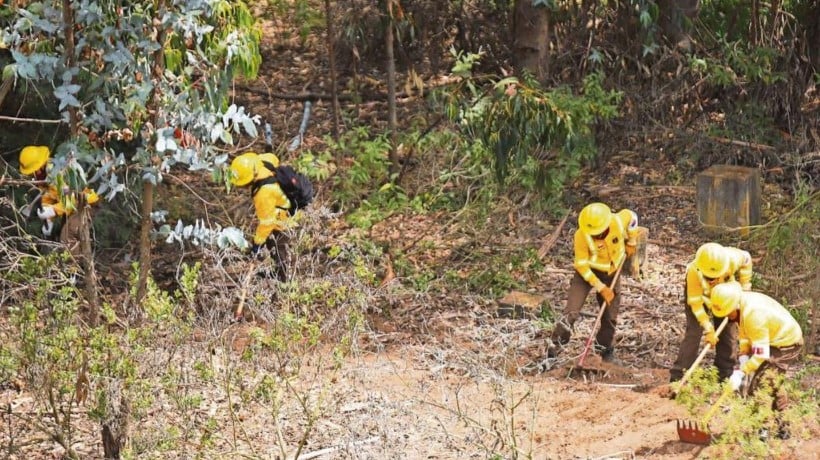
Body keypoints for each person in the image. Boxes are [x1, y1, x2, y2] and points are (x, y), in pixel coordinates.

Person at [549, 202, 639, 362]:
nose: (596, 235)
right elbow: (581, 265)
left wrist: (631, 240)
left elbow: (633, 217)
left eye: (599, 232)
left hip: (611, 272)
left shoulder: (617, 220)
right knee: (571, 313)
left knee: (610, 315)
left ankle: (605, 351)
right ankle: (553, 351)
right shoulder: (581, 235)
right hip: (586, 275)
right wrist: (600, 287)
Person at [710, 281, 803, 432]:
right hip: (772, 340)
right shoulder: (742, 305)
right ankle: (784, 426)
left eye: (727, 312)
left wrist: (741, 371)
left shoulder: (753, 314)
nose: (726, 317)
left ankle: (763, 430)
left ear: (735, 306)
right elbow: (746, 335)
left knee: (761, 386)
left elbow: (761, 354)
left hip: (786, 343)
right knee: (772, 381)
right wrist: (743, 356)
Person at [669, 242, 752, 382]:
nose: (711, 280)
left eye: (714, 277)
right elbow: (695, 304)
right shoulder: (694, 272)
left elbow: (747, 259)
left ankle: (724, 374)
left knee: (727, 332)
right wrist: (708, 328)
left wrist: (745, 288)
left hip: (724, 295)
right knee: (694, 333)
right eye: (708, 277)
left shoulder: (732, 258)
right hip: (701, 296)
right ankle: (679, 377)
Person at [229, 152, 293, 281]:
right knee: (270, 240)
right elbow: (274, 156)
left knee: (278, 244)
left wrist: (257, 244)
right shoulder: (262, 161)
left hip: (284, 216)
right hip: (285, 199)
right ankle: (277, 271)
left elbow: (267, 223)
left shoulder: (263, 193)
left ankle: (283, 279)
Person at [18, 145, 99, 243]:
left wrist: (53, 210)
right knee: (64, 233)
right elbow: (48, 195)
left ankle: (79, 258)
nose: (31, 175)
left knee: (68, 235)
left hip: (85, 202)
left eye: (32, 172)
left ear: (39, 166)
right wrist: (48, 219)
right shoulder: (44, 176)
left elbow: (71, 200)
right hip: (71, 207)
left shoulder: (57, 173)